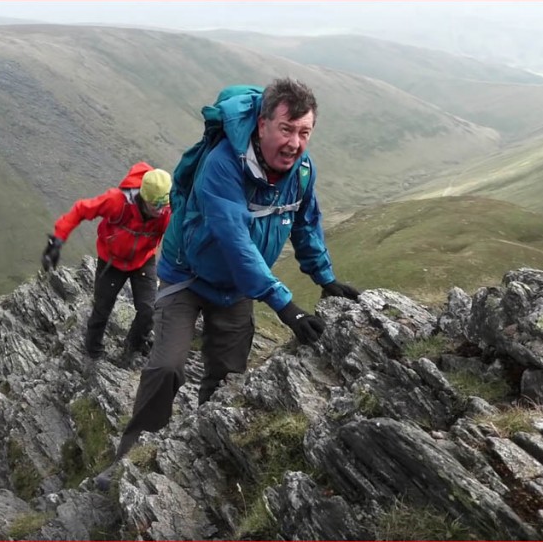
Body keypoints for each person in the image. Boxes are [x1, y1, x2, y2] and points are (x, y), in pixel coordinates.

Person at [96, 78, 359, 489]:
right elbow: (235, 243)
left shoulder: (301, 172)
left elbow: (305, 224)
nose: (294, 142)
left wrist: (325, 279)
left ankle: (205, 448)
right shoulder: (222, 166)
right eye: (286, 129)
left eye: (304, 132)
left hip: (235, 290)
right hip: (188, 276)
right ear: (261, 125)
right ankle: (128, 459)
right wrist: (286, 306)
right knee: (166, 366)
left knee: (227, 378)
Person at [42, 162, 172, 359]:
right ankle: (93, 351)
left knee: (148, 310)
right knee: (102, 308)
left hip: (143, 261)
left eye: (165, 204)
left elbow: (180, 235)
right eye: (157, 205)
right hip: (112, 261)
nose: (162, 210)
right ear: (145, 198)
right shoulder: (117, 202)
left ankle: (133, 346)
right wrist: (57, 239)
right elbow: (81, 210)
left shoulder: (166, 212)